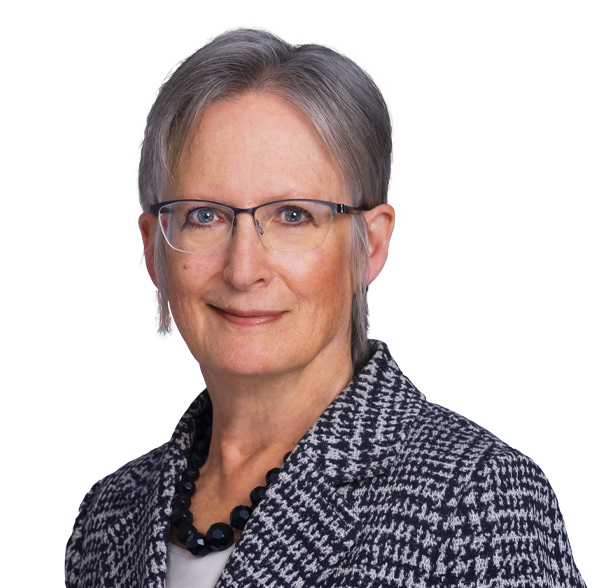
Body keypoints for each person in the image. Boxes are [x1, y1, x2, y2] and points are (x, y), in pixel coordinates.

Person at [65, 28, 586, 588]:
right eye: (204, 216)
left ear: (371, 246)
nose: (243, 269)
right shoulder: (110, 516)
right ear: (154, 249)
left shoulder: (476, 499)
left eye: (293, 216)